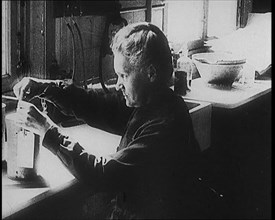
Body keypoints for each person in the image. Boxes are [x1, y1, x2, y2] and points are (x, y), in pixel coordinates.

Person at [13, 22, 215, 219]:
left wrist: (48, 130)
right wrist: (45, 88)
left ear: (151, 73)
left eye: (123, 76)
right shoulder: (152, 102)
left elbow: (102, 174)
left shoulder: (164, 125)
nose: (118, 84)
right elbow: (95, 105)